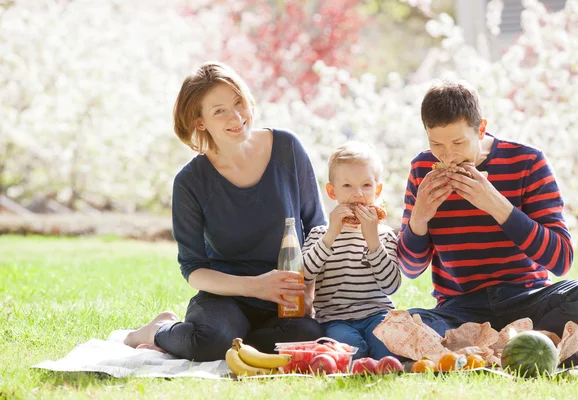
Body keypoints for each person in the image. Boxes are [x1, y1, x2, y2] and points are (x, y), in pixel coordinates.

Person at [124, 61, 326, 361]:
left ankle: (238, 344)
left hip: (285, 300)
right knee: (212, 340)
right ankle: (159, 330)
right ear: (200, 122)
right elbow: (193, 269)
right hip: (226, 298)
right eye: (219, 111)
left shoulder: (287, 148)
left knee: (309, 337)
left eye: (238, 102)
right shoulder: (190, 182)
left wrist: (308, 293)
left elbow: (317, 228)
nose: (237, 116)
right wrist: (256, 287)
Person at [397, 80, 578, 364]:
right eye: (436, 145)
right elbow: (410, 268)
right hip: (460, 310)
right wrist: (419, 218)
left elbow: (561, 259)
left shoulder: (528, 162)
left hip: (529, 299)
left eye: (458, 143)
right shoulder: (422, 169)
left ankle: (513, 347)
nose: (448, 155)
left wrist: (498, 206)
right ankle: (540, 351)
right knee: (394, 328)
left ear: (480, 128)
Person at [302, 142, 402, 360]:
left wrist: (373, 240)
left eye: (366, 185)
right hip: (335, 319)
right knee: (351, 351)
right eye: (347, 186)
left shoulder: (384, 235)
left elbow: (391, 286)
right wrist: (331, 235)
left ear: (377, 190)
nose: (357, 194)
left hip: (378, 314)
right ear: (332, 191)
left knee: (389, 351)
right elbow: (303, 277)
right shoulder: (320, 234)